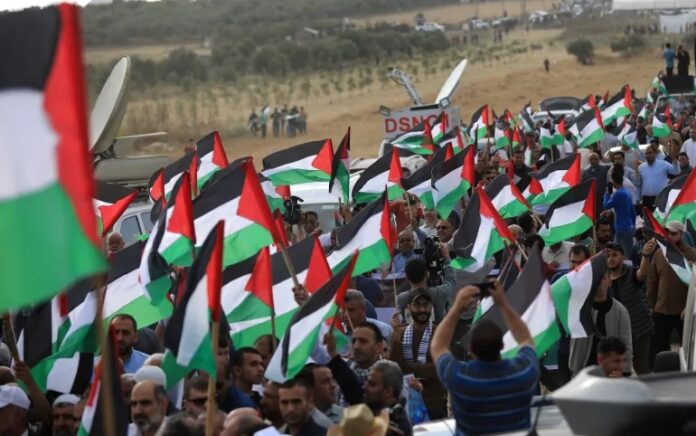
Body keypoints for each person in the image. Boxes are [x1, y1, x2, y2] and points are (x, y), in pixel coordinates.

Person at [431, 283, 539, 435]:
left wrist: (456, 308)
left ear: (471, 350)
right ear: (502, 345)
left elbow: (438, 346)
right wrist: (503, 304)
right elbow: (525, 339)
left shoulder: (459, 378)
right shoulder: (523, 372)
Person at [389, 290, 447, 420]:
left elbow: (439, 369)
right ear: (409, 307)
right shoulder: (400, 333)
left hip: (433, 403)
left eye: (426, 305)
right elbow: (393, 367)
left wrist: (408, 368)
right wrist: (397, 334)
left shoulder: (441, 333)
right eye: (417, 305)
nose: (422, 309)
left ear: (431, 306)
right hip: (405, 403)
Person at [646, 221, 696, 355]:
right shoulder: (659, 254)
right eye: (667, 233)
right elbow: (652, 281)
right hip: (662, 309)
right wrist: (651, 306)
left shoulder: (692, 254)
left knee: (687, 351)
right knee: (658, 349)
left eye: (673, 233)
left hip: (684, 311)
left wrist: (690, 307)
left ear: (682, 234)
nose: (669, 236)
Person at [569, 273, 633, 376]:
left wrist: (624, 372)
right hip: (584, 372)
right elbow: (574, 343)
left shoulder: (620, 311)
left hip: (611, 372)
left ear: (609, 281)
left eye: (602, 278)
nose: (599, 283)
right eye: (595, 279)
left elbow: (626, 344)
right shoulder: (581, 309)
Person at [606, 242, 653, 374]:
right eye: (608, 256)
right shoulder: (603, 281)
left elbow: (642, 274)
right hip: (615, 333)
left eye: (614, 255)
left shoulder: (630, 274)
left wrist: (645, 255)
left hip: (638, 331)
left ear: (623, 257)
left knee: (641, 369)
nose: (610, 258)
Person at [396, 254, 456, 323]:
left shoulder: (401, 299)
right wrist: (447, 257)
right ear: (427, 274)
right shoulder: (440, 293)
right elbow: (451, 280)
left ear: (406, 278)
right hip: (438, 333)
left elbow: (404, 323)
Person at [363, 361, 411, 436]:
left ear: (388, 391)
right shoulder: (370, 409)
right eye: (366, 382)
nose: (364, 387)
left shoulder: (398, 428)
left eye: (372, 384)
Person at [604, 169, 636, 255]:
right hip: (628, 226)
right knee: (617, 251)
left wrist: (607, 194)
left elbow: (606, 205)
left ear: (613, 181)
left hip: (622, 228)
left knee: (624, 253)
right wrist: (633, 224)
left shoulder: (618, 194)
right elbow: (632, 210)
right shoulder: (627, 192)